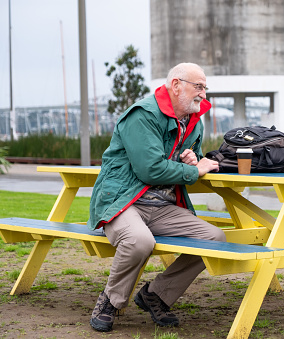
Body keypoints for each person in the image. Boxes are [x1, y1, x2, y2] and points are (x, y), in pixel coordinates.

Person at [88, 63, 225, 332]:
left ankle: (156, 295)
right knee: (140, 241)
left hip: (162, 206)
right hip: (124, 201)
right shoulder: (143, 115)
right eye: (198, 87)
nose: (203, 95)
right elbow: (149, 169)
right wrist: (193, 170)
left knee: (214, 240)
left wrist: (191, 158)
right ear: (176, 85)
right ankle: (110, 302)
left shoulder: (192, 120)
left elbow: (184, 159)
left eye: (205, 88)